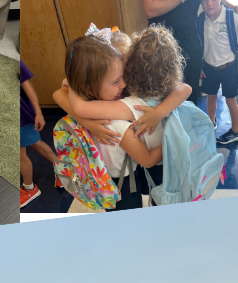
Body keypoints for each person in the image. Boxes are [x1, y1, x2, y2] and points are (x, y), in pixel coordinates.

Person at [52, 30, 191, 209]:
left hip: (123, 169)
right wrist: (88, 123)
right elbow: (61, 95)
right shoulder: (117, 114)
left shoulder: (116, 94)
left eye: (125, 71)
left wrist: (159, 113)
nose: (124, 82)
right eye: (116, 79)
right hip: (122, 174)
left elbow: (184, 88)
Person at [143, 0, 238, 104]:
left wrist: (236, 9)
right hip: (161, 44)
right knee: (161, 96)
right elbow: (150, 10)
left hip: (189, 45)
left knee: (190, 98)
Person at [197, 0, 238, 144]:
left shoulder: (231, 18)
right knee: (211, 97)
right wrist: (200, 66)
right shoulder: (200, 19)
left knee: (231, 101)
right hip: (209, 67)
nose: (209, 4)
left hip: (229, 67)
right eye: (205, 0)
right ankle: (211, 122)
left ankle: (235, 131)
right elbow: (198, 44)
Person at [20, 60, 57, 209]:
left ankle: (29, 188)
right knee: (36, 143)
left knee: (20, 154)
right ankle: (64, 171)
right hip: (21, 114)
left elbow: (27, 85)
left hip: (21, 115)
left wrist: (38, 113)